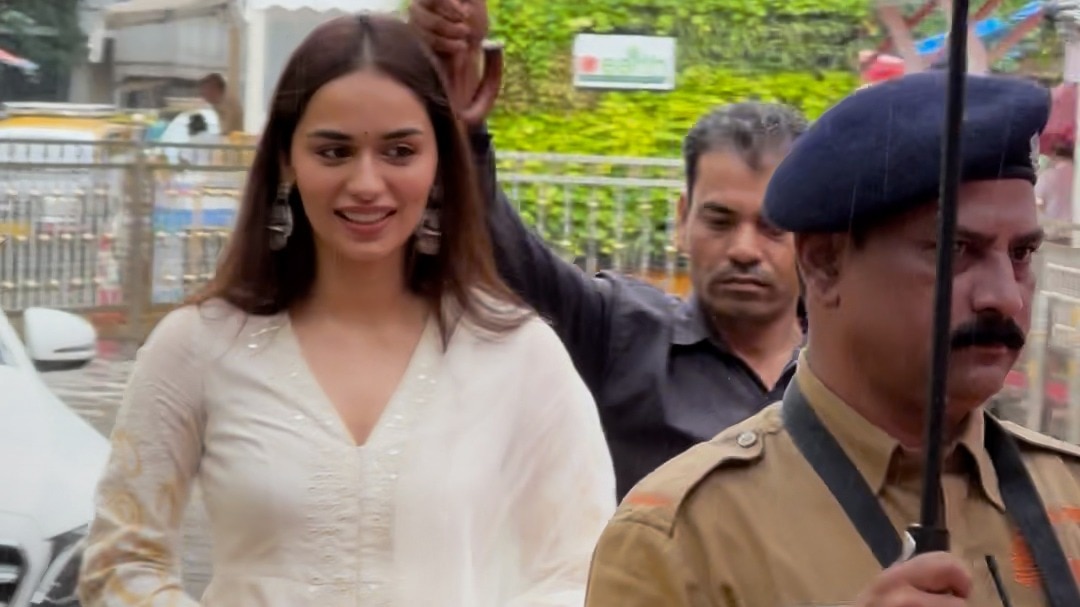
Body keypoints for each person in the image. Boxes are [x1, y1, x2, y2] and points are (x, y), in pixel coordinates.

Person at [78, 13, 615, 607]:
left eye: (399, 151)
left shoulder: (520, 355)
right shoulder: (199, 345)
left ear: (439, 162)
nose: (366, 182)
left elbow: (585, 572)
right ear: (286, 158)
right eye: (334, 151)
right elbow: (120, 562)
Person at [583, 72, 1080, 607]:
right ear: (824, 264)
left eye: (1022, 255)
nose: (1004, 298)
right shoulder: (684, 542)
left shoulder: (1067, 495)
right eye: (955, 250)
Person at [409, 0, 807, 498]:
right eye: (719, 220)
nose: (744, 249)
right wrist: (457, 125)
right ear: (683, 220)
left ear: (813, 236)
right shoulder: (618, 334)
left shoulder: (849, 371)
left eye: (772, 228)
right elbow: (500, 250)